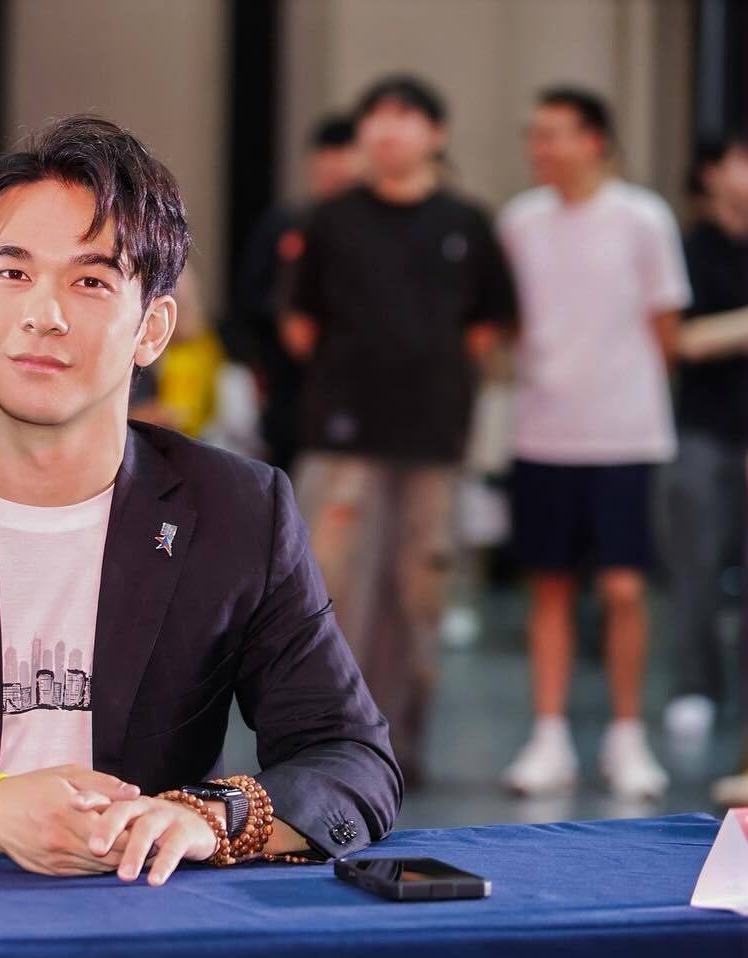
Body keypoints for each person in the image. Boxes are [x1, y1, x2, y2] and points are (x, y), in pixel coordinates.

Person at [0, 115, 400, 882]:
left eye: (90, 281)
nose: (42, 315)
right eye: (12, 274)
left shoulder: (238, 511)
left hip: (142, 910)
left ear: (153, 328)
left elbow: (350, 759)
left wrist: (208, 818)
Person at [283, 76, 517, 786]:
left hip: (433, 439)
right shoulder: (331, 220)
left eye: (404, 118)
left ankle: (401, 747)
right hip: (343, 437)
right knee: (331, 594)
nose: (387, 131)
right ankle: (328, 745)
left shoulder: (467, 222)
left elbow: (487, 327)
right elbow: (299, 326)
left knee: (420, 597)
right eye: (375, 119)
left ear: (435, 133)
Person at [497, 88, 690, 800]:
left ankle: (627, 736)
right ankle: (548, 736)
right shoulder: (520, 221)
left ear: (595, 140)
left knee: (624, 589)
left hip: (626, 434)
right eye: (534, 135)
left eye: (553, 134)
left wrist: (625, 391)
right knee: (548, 585)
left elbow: (666, 330)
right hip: (543, 430)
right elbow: (514, 323)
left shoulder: (644, 218)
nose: (539, 148)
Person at [661, 136, 748, 749]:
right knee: (695, 562)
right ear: (715, 173)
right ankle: (696, 685)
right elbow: (680, 340)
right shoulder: (689, 249)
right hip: (701, 428)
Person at [230, 113, 361, 472]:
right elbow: (250, 301)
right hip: (289, 386)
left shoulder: (369, 233)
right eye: (327, 157)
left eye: (344, 156)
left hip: (356, 392)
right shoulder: (285, 225)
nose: (334, 167)